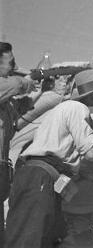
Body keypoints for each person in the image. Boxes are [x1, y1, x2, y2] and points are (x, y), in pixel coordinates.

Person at [5, 68, 93, 248]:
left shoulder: (71, 110)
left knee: (51, 239)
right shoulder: (76, 108)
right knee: (26, 239)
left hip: (44, 177)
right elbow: (92, 153)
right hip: (39, 177)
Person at [0, 42, 35, 244]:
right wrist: (29, 80)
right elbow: (15, 85)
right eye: (10, 62)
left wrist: (42, 89)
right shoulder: (9, 84)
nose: (14, 66)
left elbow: (16, 116)